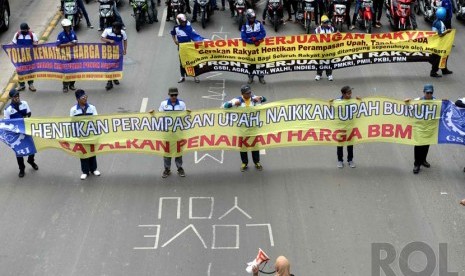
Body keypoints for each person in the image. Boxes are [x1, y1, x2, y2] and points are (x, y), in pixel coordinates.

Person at [223, 84, 266, 172]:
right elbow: (225, 106)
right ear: (242, 94)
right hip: (242, 128)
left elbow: (265, 99)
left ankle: (257, 162)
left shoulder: (253, 98)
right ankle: (244, 163)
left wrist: (260, 98)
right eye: (247, 93)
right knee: (243, 146)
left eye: (250, 92)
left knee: (255, 145)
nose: (249, 94)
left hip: (253, 127)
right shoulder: (237, 100)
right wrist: (234, 103)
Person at [149, 87, 188, 178]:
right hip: (167, 132)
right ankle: (167, 169)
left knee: (178, 151)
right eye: (172, 95)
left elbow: (185, 117)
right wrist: (152, 114)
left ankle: (180, 168)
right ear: (169, 95)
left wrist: (188, 113)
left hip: (178, 131)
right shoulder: (163, 104)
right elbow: (160, 116)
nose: (174, 97)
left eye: (175, 95)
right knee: (167, 152)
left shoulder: (182, 104)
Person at [3, 88, 39, 178]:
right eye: (15, 96)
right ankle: (21, 169)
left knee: (31, 147)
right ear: (11, 98)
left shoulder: (24, 103)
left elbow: (29, 113)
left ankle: (31, 160)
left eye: (18, 95)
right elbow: (6, 123)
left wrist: (25, 116)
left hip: (27, 130)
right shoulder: (8, 109)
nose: (17, 97)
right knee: (19, 152)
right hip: (16, 133)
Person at [70, 89, 101, 180]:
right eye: (83, 97)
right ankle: (85, 171)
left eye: (85, 97)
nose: (85, 99)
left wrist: (97, 133)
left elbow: (96, 119)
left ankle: (94, 169)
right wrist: (75, 135)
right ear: (78, 99)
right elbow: (72, 123)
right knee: (83, 152)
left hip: (91, 134)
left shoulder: (92, 107)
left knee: (92, 151)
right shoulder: (73, 110)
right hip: (80, 135)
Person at [404, 84, 435, 174]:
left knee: (426, 145)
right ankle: (416, 164)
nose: (429, 94)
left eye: (430, 92)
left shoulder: (436, 101)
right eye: (427, 92)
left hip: (429, 128)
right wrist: (407, 103)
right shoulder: (418, 101)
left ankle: (423, 160)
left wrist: (445, 102)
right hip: (419, 127)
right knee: (418, 146)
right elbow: (409, 110)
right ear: (424, 92)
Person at [330, 86, 361, 168]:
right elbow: (330, 112)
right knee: (340, 145)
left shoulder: (353, 101)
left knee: (350, 145)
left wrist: (360, 101)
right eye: (348, 93)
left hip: (350, 127)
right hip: (340, 128)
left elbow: (362, 109)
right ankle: (340, 160)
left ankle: (350, 160)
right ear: (343, 94)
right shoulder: (337, 102)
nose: (350, 95)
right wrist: (330, 104)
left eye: (351, 93)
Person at [171, 14, 204, 83]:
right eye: (182, 22)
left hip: (189, 47)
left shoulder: (189, 27)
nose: (183, 23)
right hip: (181, 47)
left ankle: (195, 76)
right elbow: (173, 34)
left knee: (193, 61)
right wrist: (175, 40)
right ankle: (182, 76)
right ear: (178, 22)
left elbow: (195, 36)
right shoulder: (176, 28)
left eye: (184, 22)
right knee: (182, 62)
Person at [12, 23, 39, 92]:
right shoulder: (17, 34)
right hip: (20, 57)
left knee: (30, 70)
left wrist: (34, 44)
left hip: (30, 56)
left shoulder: (32, 34)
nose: (24, 31)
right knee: (20, 70)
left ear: (28, 29)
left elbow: (36, 43)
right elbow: (13, 44)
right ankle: (21, 85)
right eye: (23, 30)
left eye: (25, 30)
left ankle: (31, 84)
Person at [101, 22, 127, 90]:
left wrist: (125, 49)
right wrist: (109, 40)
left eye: (119, 30)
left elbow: (125, 40)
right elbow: (102, 38)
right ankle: (109, 82)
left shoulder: (122, 32)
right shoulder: (107, 31)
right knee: (109, 66)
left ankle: (115, 78)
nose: (117, 31)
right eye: (116, 30)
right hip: (109, 52)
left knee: (116, 65)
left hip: (118, 52)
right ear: (113, 28)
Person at [243, 9, 266, 84]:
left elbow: (263, 33)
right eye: (251, 18)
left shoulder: (259, 24)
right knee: (251, 64)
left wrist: (256, 39)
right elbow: (243, 37)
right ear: (248, 18)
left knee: (261, 63)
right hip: (250, 48)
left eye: (253, 18)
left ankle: (261, 77)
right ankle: (251, 77)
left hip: (259, 47)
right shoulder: (244, 26)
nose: (252, 19)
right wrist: (252, 41)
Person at [430, 7, 453, 78]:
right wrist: (447, 31)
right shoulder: (440, 24)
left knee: (445, 55)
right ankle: (433, 72)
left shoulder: (435, 21)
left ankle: (444, 69)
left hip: (436, 42)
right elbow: (440, 34)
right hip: (439, 43)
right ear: (443, 16)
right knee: (438, 58)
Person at [57, 19, 78, 93]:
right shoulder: (60, 35)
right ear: (63, 27)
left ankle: (72, 84)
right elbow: (58, 45)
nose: (67, 28)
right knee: (65, 71)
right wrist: (68, 44)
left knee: (73, 71)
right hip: (64, 56)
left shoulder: (73, 33)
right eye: (66, 27)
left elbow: (76, 40)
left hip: (72, 55)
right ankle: (65, 86)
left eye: (68, 26)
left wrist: (75, 42)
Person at [315, 15, 335, 81]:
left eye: (327, 22)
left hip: (329, 49)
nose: (326, 23)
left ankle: (329, 75)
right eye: (325, 22)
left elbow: (336, 36)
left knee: (328, 62)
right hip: (320, 49)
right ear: (322, 22)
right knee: (320, 62)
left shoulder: (331, 28)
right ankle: (318, 74)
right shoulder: (318, 29)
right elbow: (314, 39)